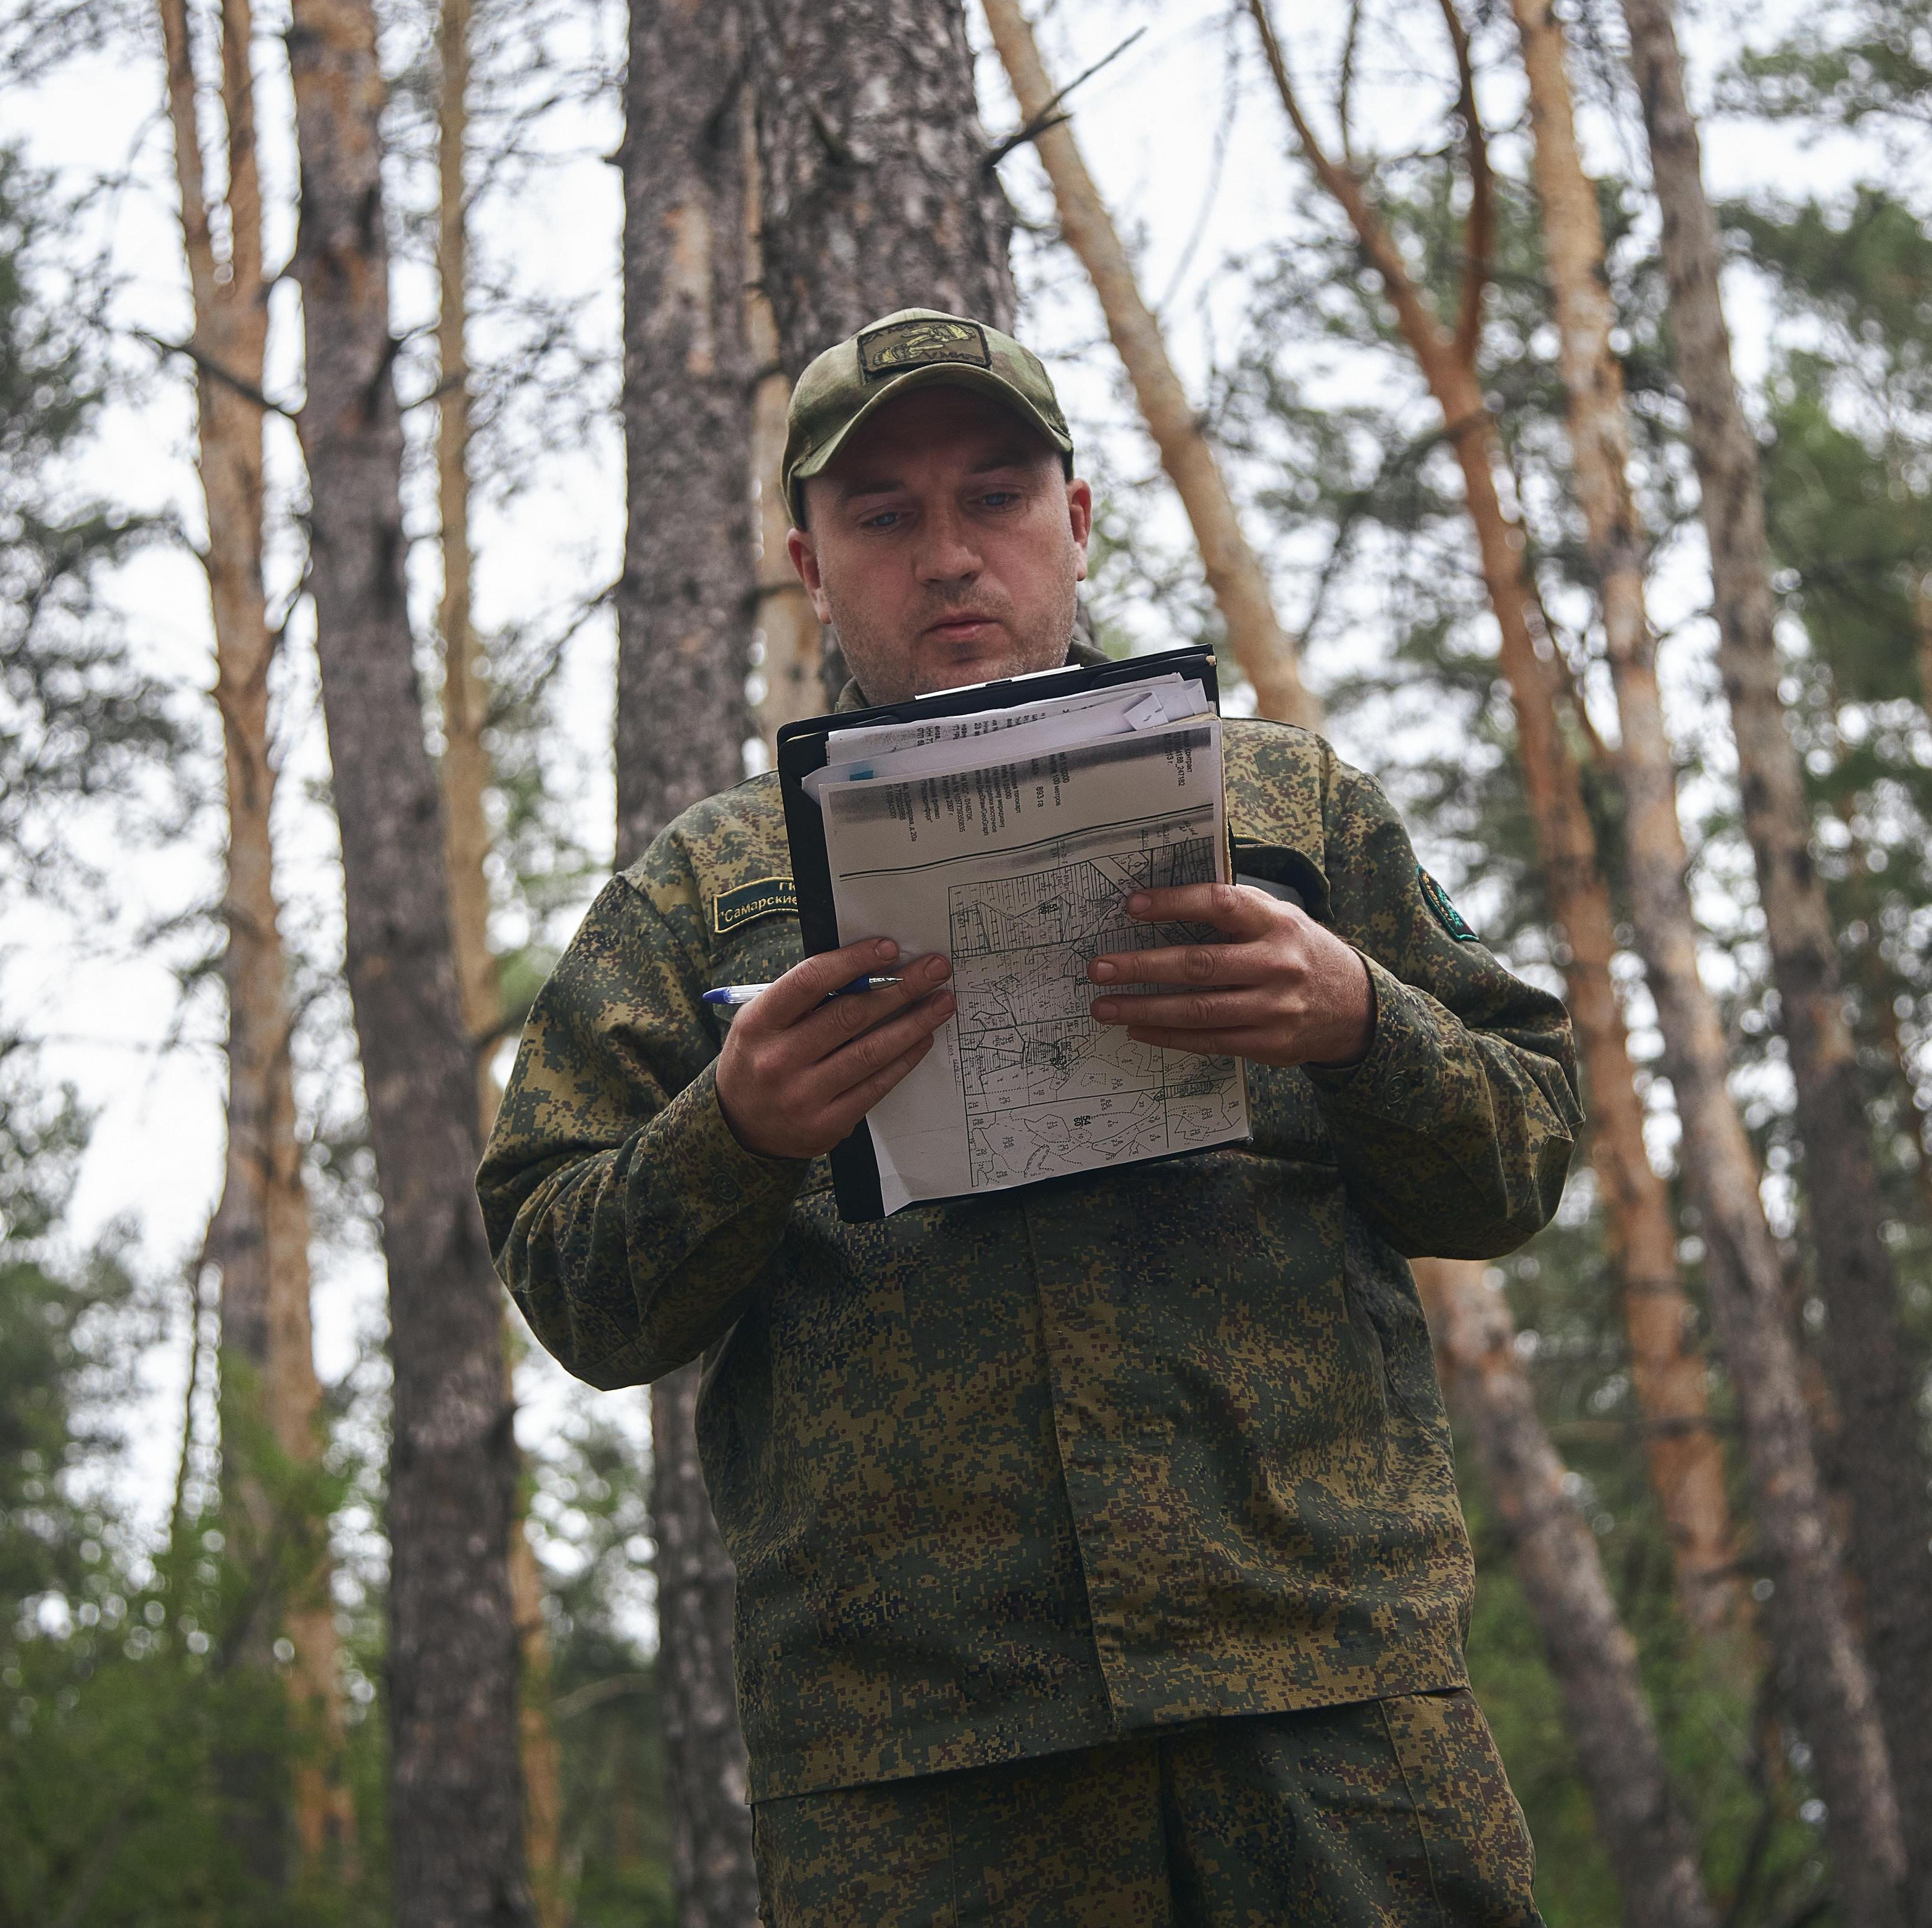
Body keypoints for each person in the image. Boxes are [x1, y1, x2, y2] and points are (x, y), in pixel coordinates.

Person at [480, 307, 1578, 1925]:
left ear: (1075, 520)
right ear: (808, 557)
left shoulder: (1283, 806)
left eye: (994, 499)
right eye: (884, 515)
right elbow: (567, 1277)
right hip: (920, 1755)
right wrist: (740, 1130)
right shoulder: (705, 890)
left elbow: (1521, 1151)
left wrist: (1360, 1023)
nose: (948, 557)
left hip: (1320, 1690)